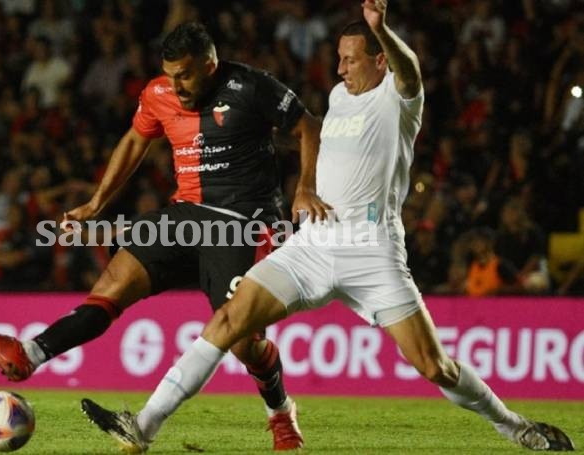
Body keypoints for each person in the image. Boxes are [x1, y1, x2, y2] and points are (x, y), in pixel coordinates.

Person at [80, 3, 575, 453]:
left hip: (371, 251)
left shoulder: (399, 101)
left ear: (379, 60)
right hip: (313, 245)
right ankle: (142, 427)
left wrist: (384, 30)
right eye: (338, 58)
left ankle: (514, 426)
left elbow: (410, 72)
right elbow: (320, 144)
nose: (339, 69)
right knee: (229, 323)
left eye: (352, 58)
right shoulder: (339, 96)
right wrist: (306, 187)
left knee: (434, 366)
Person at [0, 21, 330, 450]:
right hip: (185, 215)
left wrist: (305, 187)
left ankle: (280, 412)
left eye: (186, 75)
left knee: (244, 345)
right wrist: (96, 204)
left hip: (244, 222)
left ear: (210, 65)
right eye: (170, 74)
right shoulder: (158, 94)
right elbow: (134, 142)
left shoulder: (249, 85)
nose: (176, 85)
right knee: (111, 286)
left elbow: (308, 126)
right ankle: (29, 354)